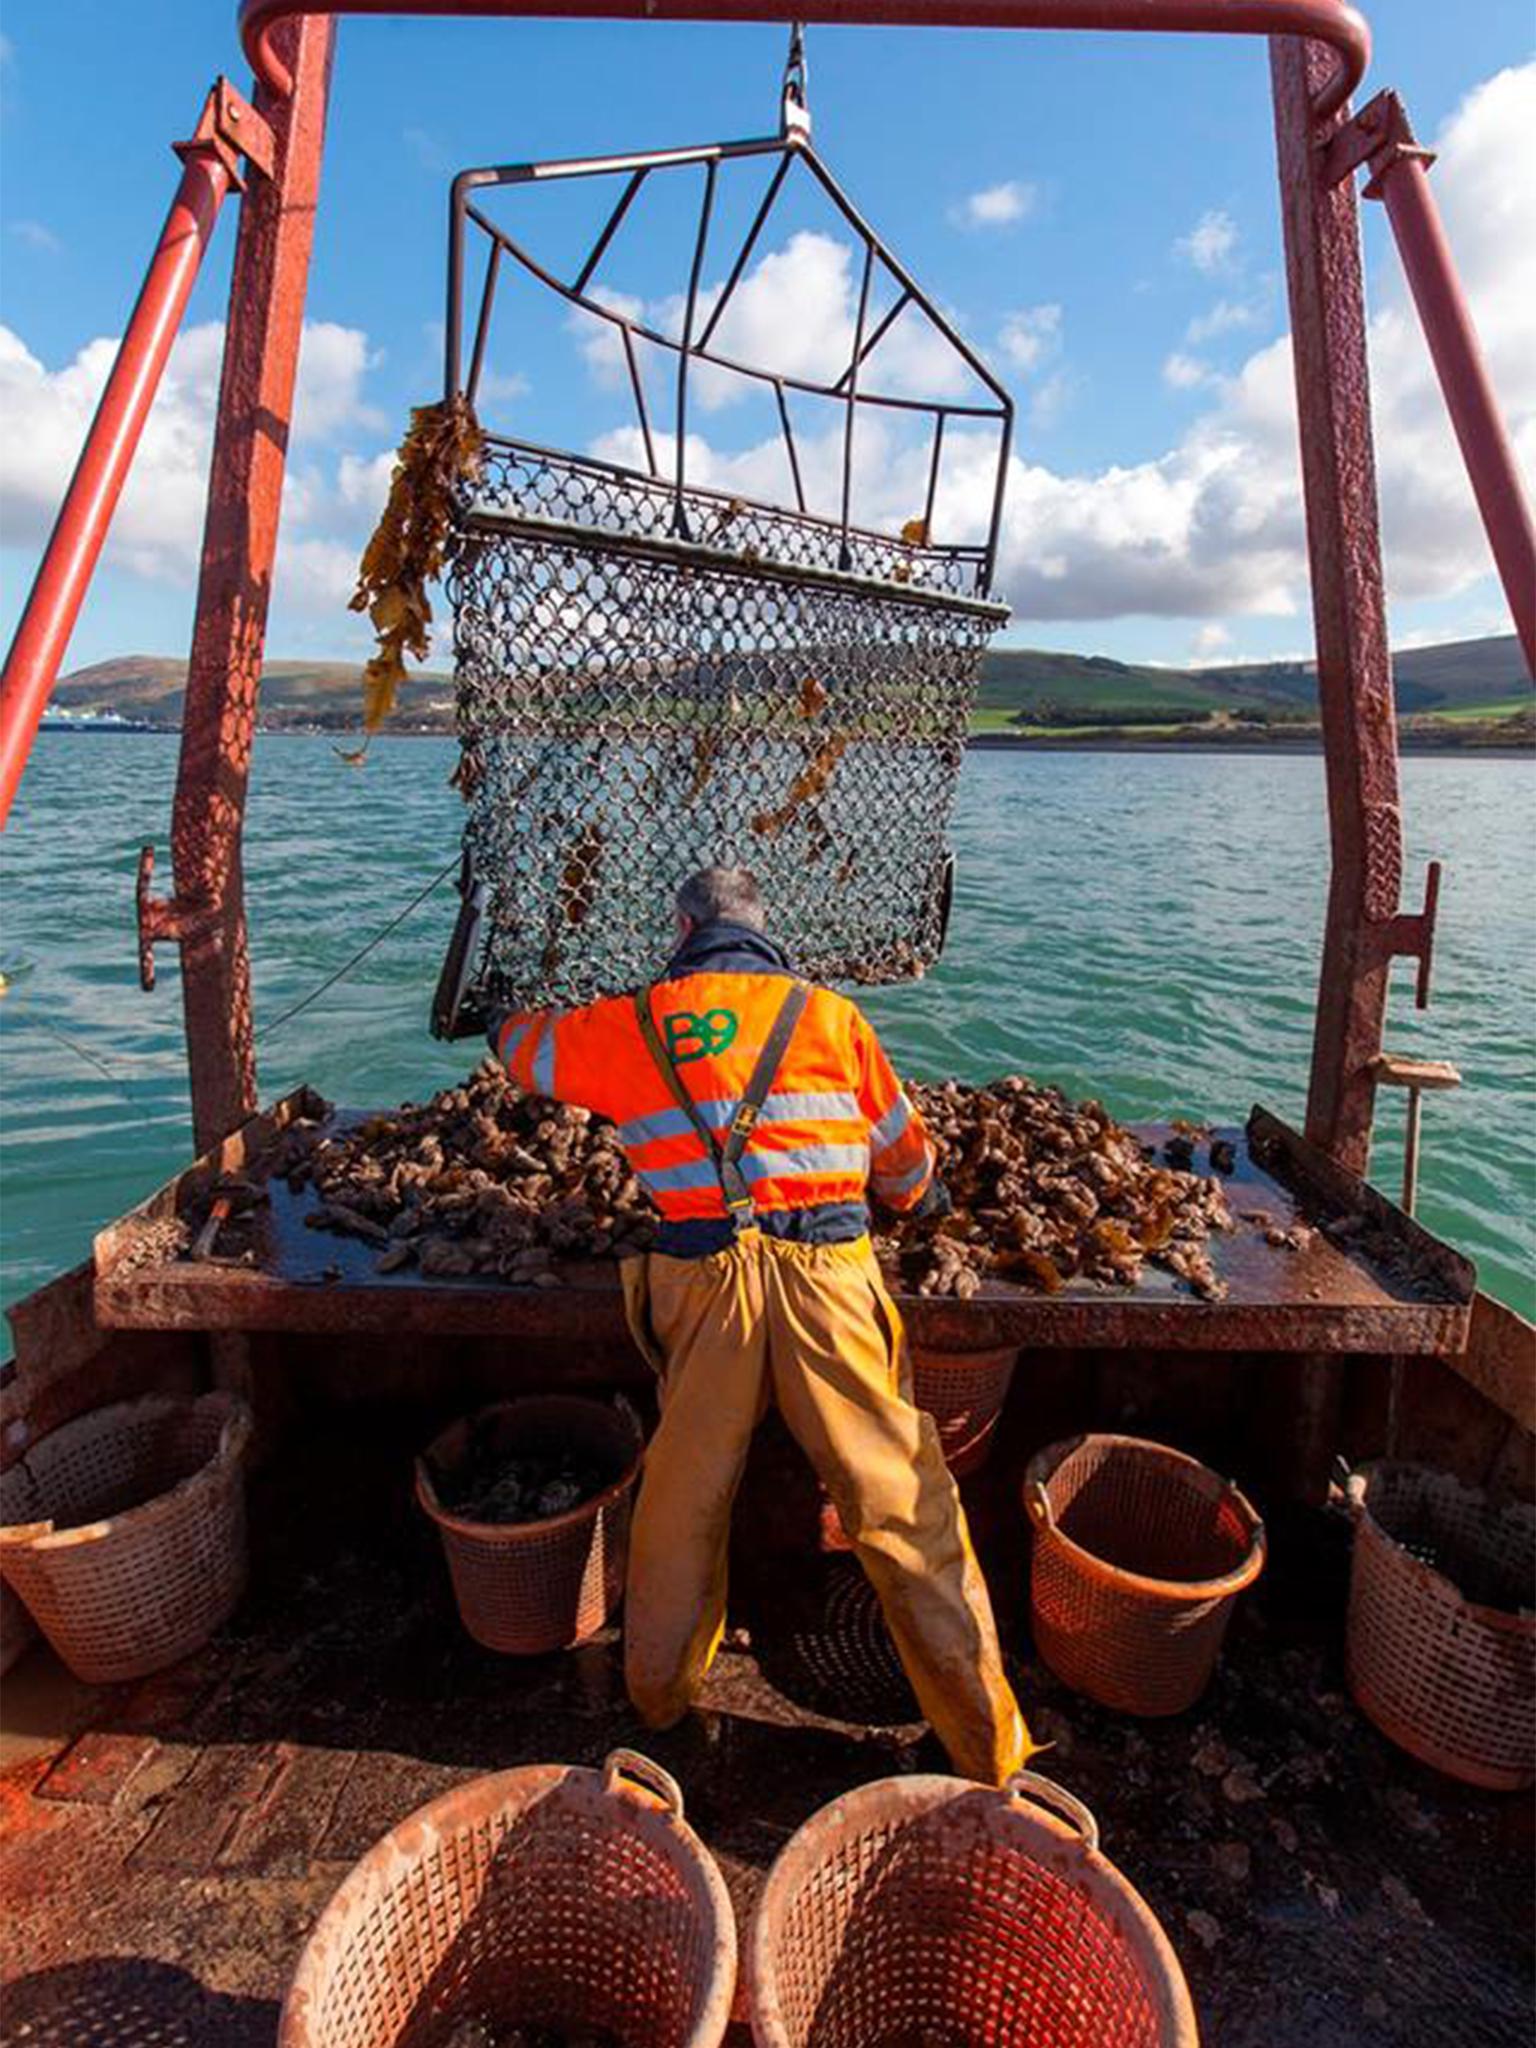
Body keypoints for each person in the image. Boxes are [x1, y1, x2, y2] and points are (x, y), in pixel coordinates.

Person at [489, 864, 1033, 1785]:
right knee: (904, 1506)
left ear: (680, 927)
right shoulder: (832, 1019)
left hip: (707, 1289)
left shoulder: (629, 1022)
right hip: (829, 1281)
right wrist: (922, 1193)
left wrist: (500, 1003)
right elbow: (904, 1167)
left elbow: (521, 1053)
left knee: (681, 1500)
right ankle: (987, 1743)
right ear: (764, 930)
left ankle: (659, 1701)